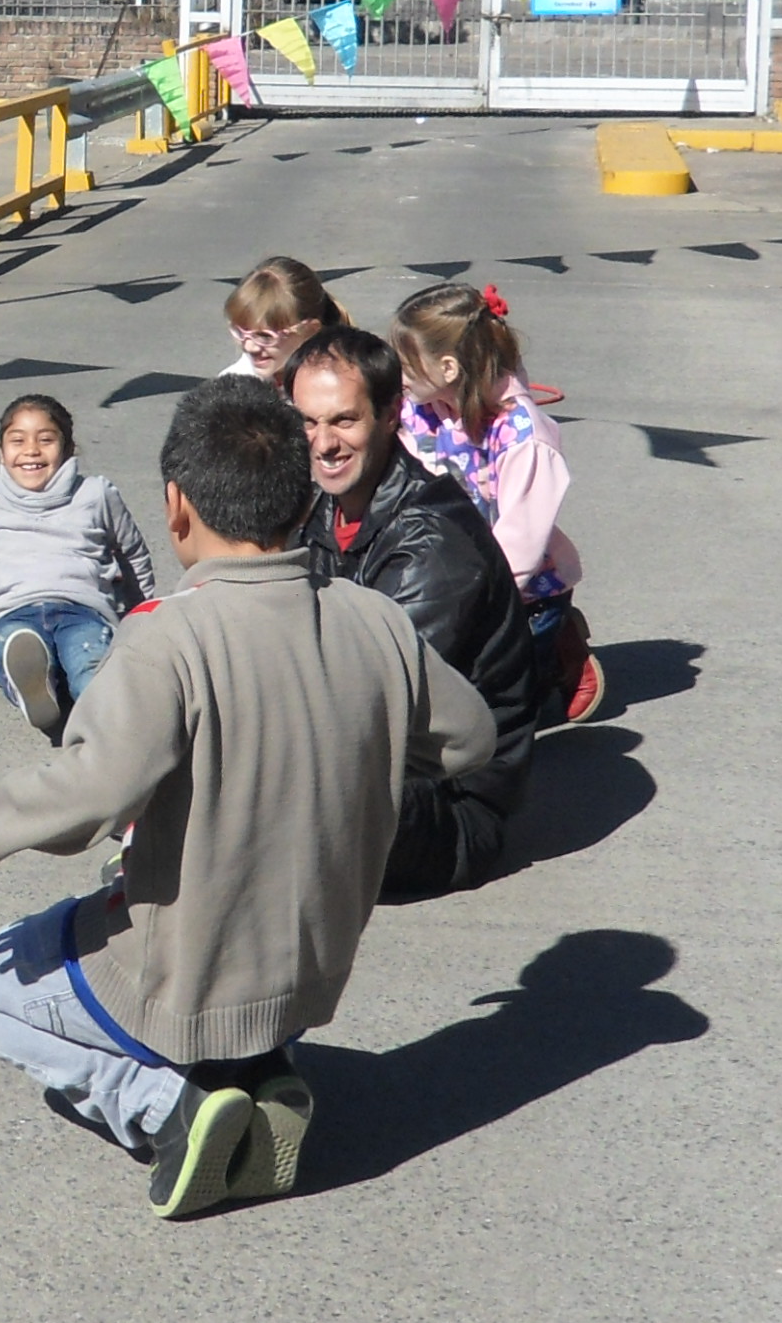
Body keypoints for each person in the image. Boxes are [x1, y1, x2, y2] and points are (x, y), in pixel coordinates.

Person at [0, 379, 493, 1219]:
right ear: (301, 495)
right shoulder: (375, 622)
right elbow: (468, 738)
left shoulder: (166, 636)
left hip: (182, 978)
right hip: (308, 974)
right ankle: (257, 1073)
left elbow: (91, 793)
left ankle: (173, 1109)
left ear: (177, 507)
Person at [288, 330, 544, 902]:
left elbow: (367, 707)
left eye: (343, 421)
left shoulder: (433, 544)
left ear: (390, 415)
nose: (323, 443)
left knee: (273, 774)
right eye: (307, 422)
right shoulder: (325, 505)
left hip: (450, 805)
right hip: (383, 767)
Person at [391, 280, 598, 723]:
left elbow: (519, 543)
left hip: (519, 589)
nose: (398, 374)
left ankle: (563, 653)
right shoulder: (420, 406)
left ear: (448, 368)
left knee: (503, 707)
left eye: (407, 364)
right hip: (457, 567)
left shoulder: (524, 438)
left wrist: (472, 606)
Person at [0, 393, 158, 741]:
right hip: (13, 615)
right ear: (1, 451)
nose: (32, 450)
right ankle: (34, 686)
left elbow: (133, 555)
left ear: (68, 449)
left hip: (82, 611)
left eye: (46, 439)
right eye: (17, 440)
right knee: (13, 646)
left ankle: (103, 711)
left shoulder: (96, 494)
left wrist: (137, 621)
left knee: (89, 657)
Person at [221, 255, 350, 387]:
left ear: (309, 331)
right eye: (240, 332)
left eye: (265, 336)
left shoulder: (337, 386)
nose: (249, 347)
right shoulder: (234, 385)